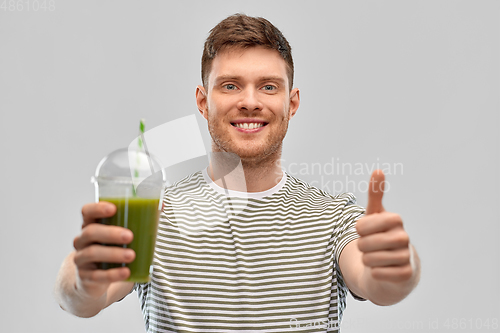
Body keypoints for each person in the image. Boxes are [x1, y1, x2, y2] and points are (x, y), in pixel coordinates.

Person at [55, 13, 421, 332]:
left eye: (268, 86)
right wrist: (83, 279)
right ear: (203, 101)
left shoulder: (334, 216)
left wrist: (399, 268)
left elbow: (381, 284)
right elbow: (82, 299)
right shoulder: (154, 215)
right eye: (230, 85)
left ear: (291, 104)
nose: (250, 101)